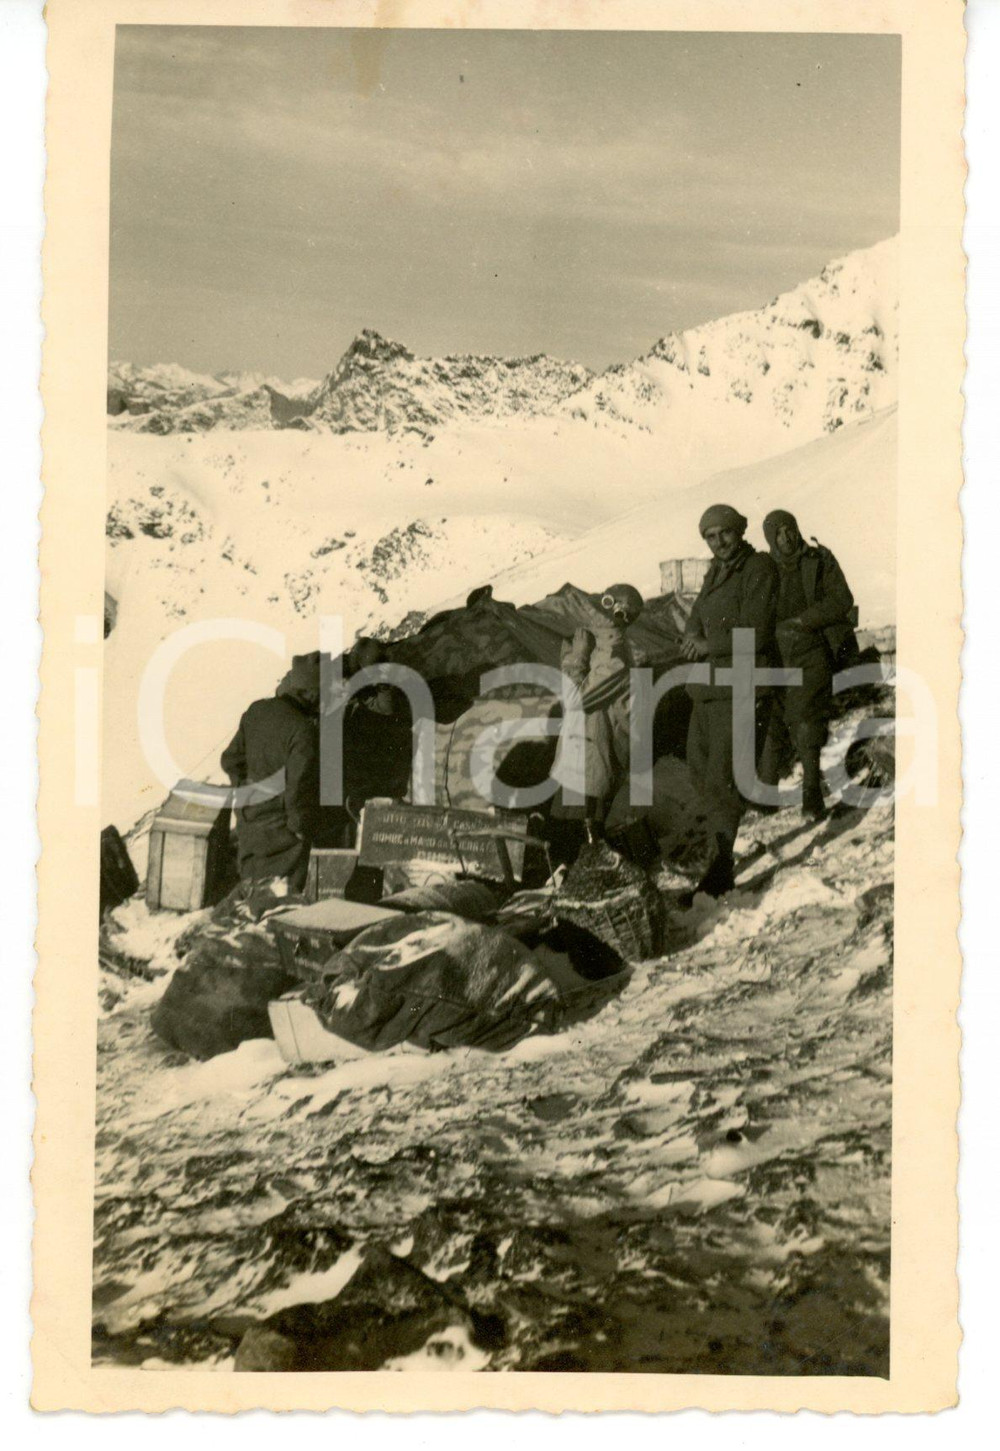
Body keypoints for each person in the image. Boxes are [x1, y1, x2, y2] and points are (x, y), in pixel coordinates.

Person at [680, 504, 779, 897]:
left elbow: (756, 632)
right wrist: (691, 638)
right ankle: (718, 852)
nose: (719, 542)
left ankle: (721, 870)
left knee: (723, 775)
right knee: (701, 768)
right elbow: (697, 615)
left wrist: (708, 645)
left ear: (739, 531)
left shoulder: (757, 568)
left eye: (725, 533)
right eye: (710, 536)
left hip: (740, 683)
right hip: (709, 686)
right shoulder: (716, 572)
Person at [759, 509, 859, 821]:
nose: (787, 537)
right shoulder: (763, 569)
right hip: (776, 653)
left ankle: (811, 794)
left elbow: (842, 598)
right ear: (770, 539)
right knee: (772, 720)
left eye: (790, 529)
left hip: (813, 648)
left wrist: (804, 621)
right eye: (778, 533)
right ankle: (765, 796)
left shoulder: (819, 559)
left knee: (805, 719)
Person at [221, 653, 321, 905]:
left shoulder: (256, 710)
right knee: (280, 898)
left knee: (251, 887)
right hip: (280, 833)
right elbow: (297, 790)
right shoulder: (302, 729)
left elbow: (230, 760)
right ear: (310, 694)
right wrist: (299, 830)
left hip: (248, 822)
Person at [551, 583, 644, 842]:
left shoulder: (614, 658)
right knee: (568, 837)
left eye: (609, 604)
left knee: (580, 840)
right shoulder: (602, 646)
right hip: (581, 759)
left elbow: (575, 699)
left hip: (590, 768)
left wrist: (576, 657)